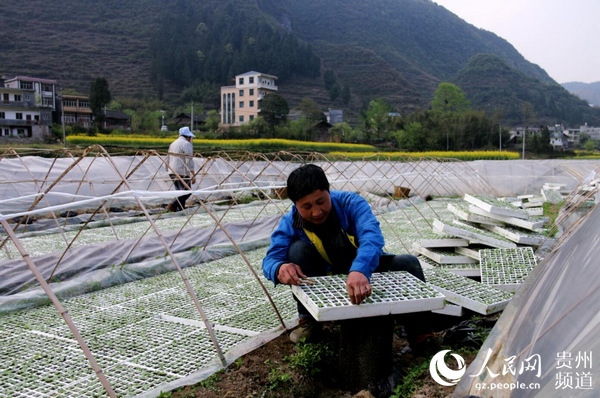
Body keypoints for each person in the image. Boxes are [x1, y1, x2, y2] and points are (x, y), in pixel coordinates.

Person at [262, 164, 434, 346]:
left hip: (366, 270)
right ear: (295, 205)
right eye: (307, 206)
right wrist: (279, 268)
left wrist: (360, 270)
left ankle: (419, 333)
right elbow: (270, 259)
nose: (316, 212)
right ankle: (309, 321)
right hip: (325, 276)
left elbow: (371, 237)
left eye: (321, 202)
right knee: (296, 251)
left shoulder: (350, 203)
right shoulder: (291, 222)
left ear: (328, 191)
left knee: (409, 263)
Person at [165, 126, 196, 212]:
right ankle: (173, 205)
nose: (190, 139)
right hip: (181, 171)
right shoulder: (186, 144)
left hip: (172, 171)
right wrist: (192, 174)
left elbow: (168, 158)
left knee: (180, 192)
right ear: (188, 137)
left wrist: (167, 169)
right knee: (187, 192)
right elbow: (188, 159)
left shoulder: (173, 143)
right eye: (190, 137)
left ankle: (180, 209)